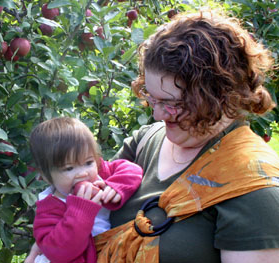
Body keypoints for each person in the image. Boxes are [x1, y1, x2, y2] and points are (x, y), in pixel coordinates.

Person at [26, 10, 279, 263]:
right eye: (151, 97)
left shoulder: (256, 191)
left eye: (171, 103)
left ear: (218, 97)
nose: (157, 115)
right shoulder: (146, 141)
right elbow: (67, 225)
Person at [28, 117, 143, 263]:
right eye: (69, 168)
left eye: (88, 162)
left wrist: (117, 186)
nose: (83, 173)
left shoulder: (101, 175)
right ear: (46, 176)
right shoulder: (50, 208)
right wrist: (81, 211)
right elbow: (58, 251)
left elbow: (131, 169)